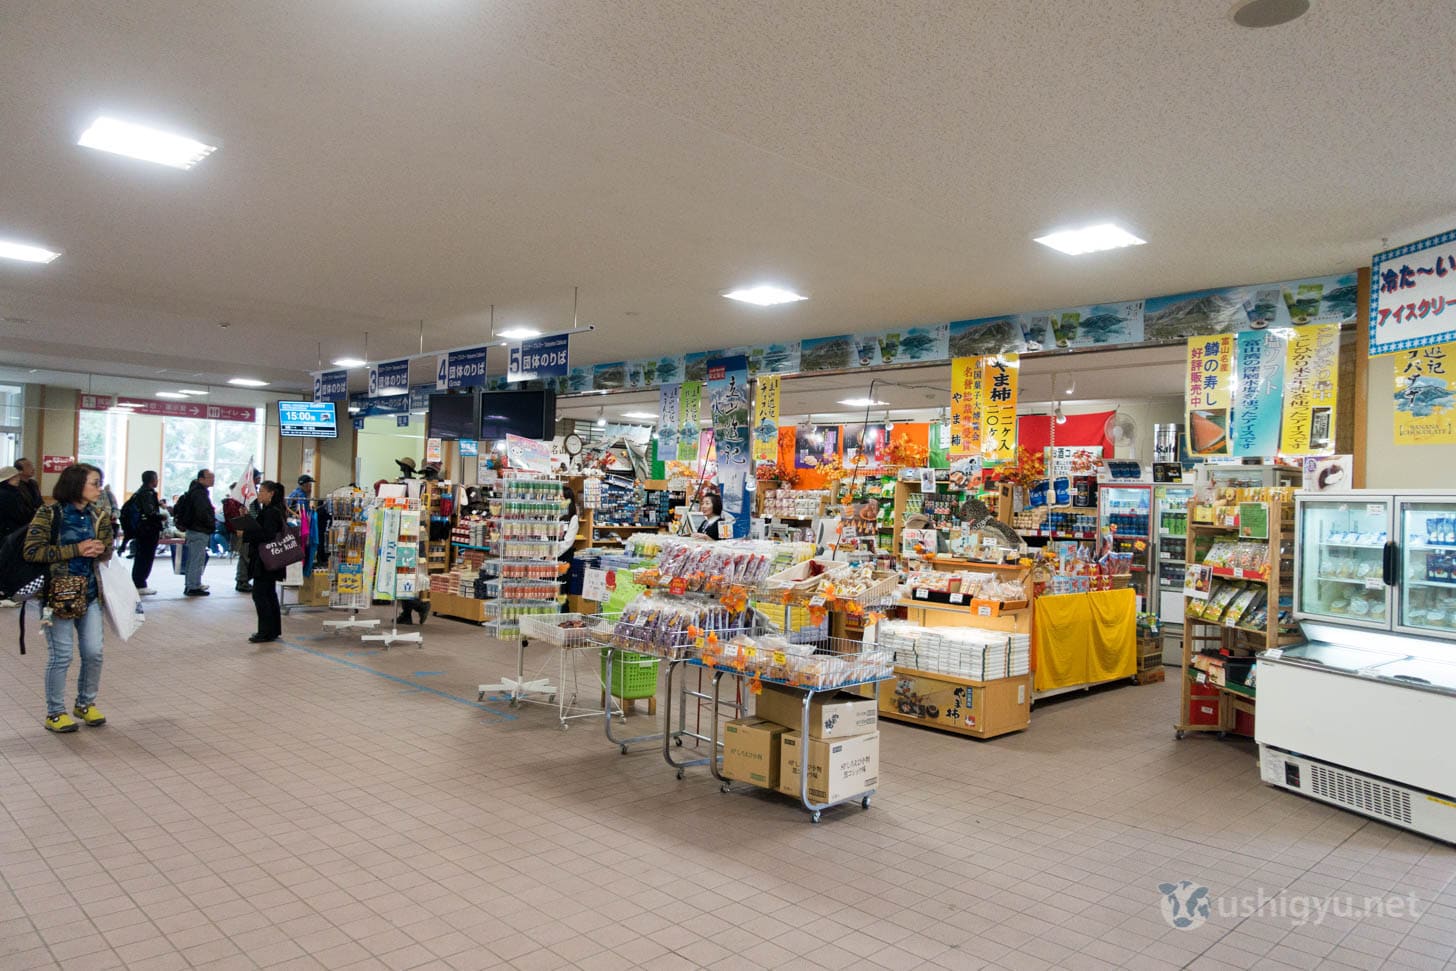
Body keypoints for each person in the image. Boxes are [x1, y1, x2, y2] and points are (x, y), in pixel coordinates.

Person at [23, 463, 112, 733]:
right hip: (58, 596)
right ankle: (55, 712)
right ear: (76, 485)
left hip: (90, 595)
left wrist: (100, 549)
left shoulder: (99, 515)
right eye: (94, 483)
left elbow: (108, 551)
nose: (99, 489)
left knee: (94, 652)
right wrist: (76, 549)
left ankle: (85, 704)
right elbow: (32, 551)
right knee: (61, 656)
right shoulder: (49, 513)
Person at [236, 480, 288, 643]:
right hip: (269, 558)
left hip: (265, 559)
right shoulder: (271, 510)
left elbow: (266, 534)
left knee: (260, 594)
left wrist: (245, 534)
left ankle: (265, 631)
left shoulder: (271, 512)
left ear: (271, 493)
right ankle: (272, 630)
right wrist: (246, 518)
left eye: (262, 491)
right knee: (269, 593)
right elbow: (260, 527)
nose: (259, 494)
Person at [177, 468, 216, 596]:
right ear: (201, 479)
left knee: (193, 559)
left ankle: (191, 584)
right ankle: (193, 586)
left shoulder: (194, 491)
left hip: (194, 529)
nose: (213, 480)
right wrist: (210, 523)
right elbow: (202, 513)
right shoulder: (199, 493)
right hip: (199, 530)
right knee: (196, 559)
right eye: (210, 477)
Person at [129, 471, 165, 595]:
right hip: (148, 530)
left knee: (141, 556)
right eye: (156, 478)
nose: (157, 481)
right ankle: (140, 584)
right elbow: (150, 513)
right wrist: (162, 516)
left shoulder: (140, 492)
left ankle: (138, 582)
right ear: (152, 480)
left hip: (142, 529)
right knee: (145, 557)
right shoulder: (147, 494)